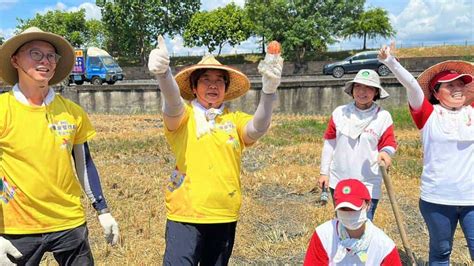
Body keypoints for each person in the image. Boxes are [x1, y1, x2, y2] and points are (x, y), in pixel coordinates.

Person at [148, 36, 283, 265]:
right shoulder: (185, 117)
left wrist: (269, 91)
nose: (213, 85)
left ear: (226, 88)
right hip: (185, 214)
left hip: (223, 213)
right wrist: (163, 74)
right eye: (205, 80)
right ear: (193, 87)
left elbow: (257, 127)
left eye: (220, 80)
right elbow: (172, 103)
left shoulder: (234, 119)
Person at [0, 27, 119, 265]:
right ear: (15, 60)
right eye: (35, 54)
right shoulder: (3, 110)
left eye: (51, 55)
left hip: (69, 221)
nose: (45, 61)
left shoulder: (73, 113)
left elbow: (84, 162)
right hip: (16, 225)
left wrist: (103, 211)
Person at [379, 42, 474, 264]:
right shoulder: (428, 114)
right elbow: (411, 85)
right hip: (437, 198)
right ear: (435, 92)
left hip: (472, 197)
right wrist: (390, 61)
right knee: (441, 252)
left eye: (461, 83)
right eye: (449, 85)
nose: (457, 88)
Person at [317, 69, 397, 220]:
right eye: (358, 86)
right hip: (339, 179)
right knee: (342, 223)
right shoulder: (339, 113)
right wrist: (324, 172)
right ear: (352, 90)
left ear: (376, 92)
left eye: (368, 87)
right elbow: (329, 143)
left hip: (368, 181)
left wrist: (386, 153)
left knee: (364, 225)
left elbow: (389, 143)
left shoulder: (382, 116)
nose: (362, 91)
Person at [304, 179, 402, 265]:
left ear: (368, 205)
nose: (349, 213)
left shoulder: (384, 246)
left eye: (354, 208)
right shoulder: (323, 235)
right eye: (343, 209)